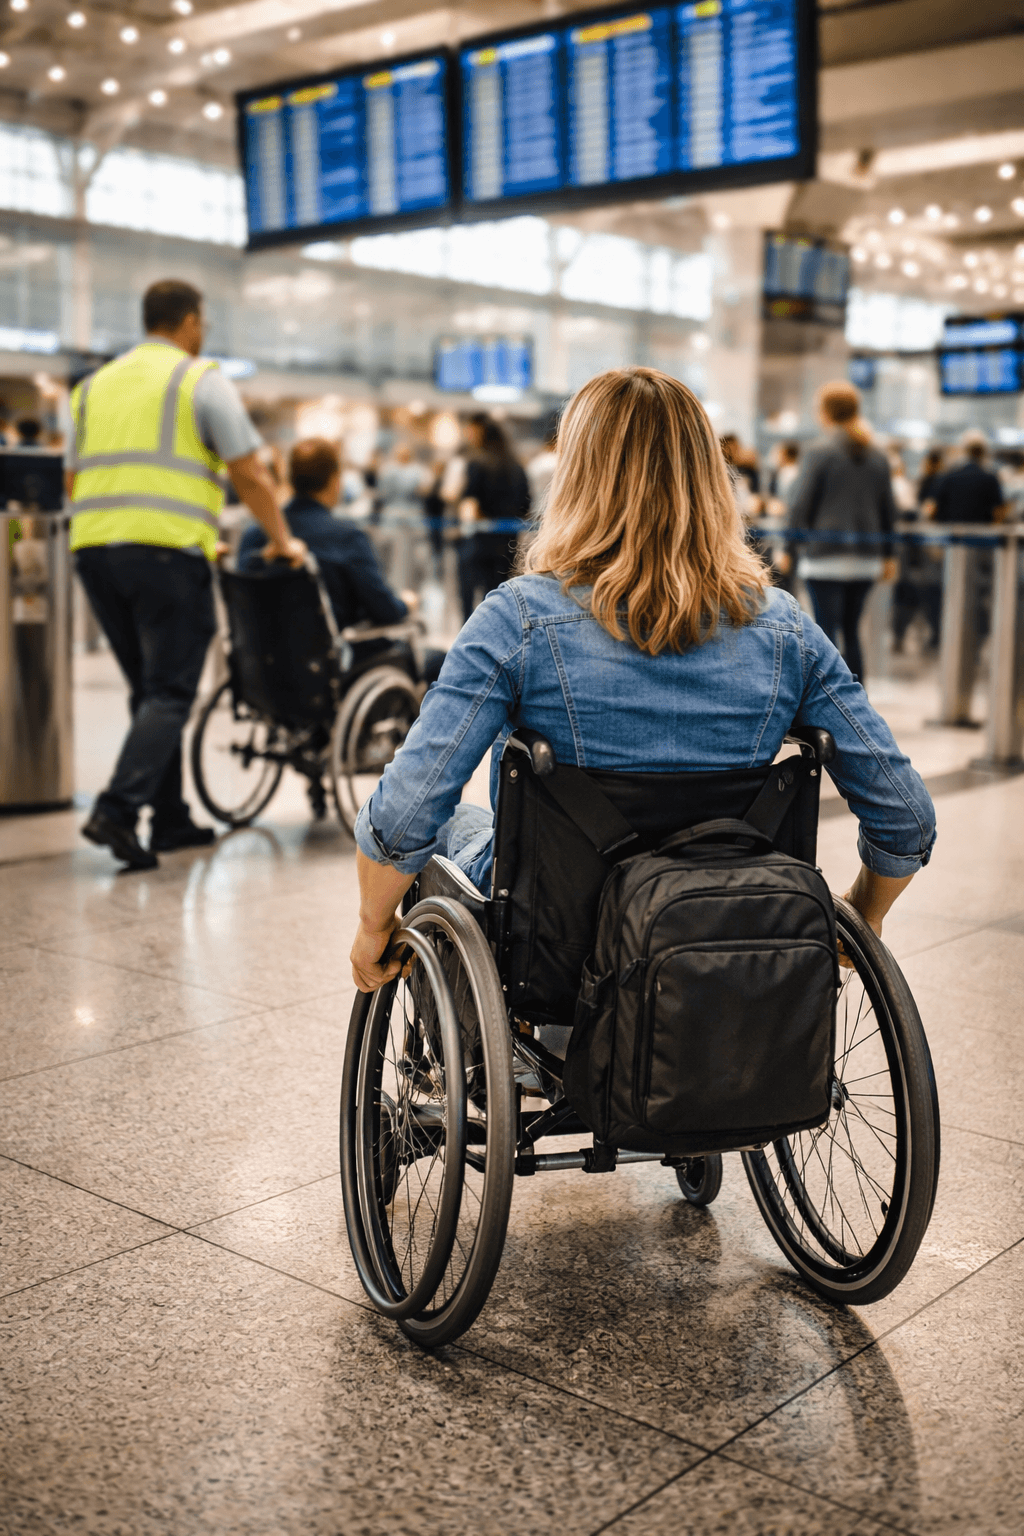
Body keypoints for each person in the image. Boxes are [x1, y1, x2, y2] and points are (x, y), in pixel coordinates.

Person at [349, 367, 935, 994]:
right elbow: (905, 816)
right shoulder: (785, 629)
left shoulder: (518, 621)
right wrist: (862, 913)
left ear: (575, 478)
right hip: (732, 934)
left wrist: (370, 926)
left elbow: (406, 812)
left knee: (442, 825)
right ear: (711, 479)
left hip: (556, 949)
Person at [69, 278, 306, 871]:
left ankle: (170, 819)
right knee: (173, 689)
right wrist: (283, 540)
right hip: (166, 552)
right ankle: (118, 811)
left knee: (150, 691)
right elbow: (248, 472)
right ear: (191, 322)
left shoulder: (91, 388)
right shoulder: (198, 379)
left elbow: (72, 478)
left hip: (93, 551)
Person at [238, 437, 446, 684]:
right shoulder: (347, 537)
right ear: (335, 481)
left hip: (265, 672)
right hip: (334, 670)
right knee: (439, 661)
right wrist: (405, 603)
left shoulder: (255, 536)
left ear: (290, 478)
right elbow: (384, 611)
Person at [782, 381, 897, 682]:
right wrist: (889, 555)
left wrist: (788, 548)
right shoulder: (877, 455)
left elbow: (800, 504)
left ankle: (828, 703)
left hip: (825, 555)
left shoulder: (819, 452)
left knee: (825, 633)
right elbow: (889, 510)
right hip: (866, 557)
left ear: (826, 413)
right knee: (852, 631)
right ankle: (858, 699)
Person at [454, 412, 531, 620]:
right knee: (497, 594)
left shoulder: (477, 463)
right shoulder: (517, 466)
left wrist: (463, 528)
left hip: (479, 538)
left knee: (469, 594)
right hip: (508, 540)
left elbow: (469, 502)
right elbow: (526, 505)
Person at [923, 431, 1007, 526]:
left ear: (963, 450)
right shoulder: (991, 479)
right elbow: (999, 512)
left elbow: (929, 509)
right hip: (982, 536)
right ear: (984, 452)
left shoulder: (948, 477)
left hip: (952, 535)